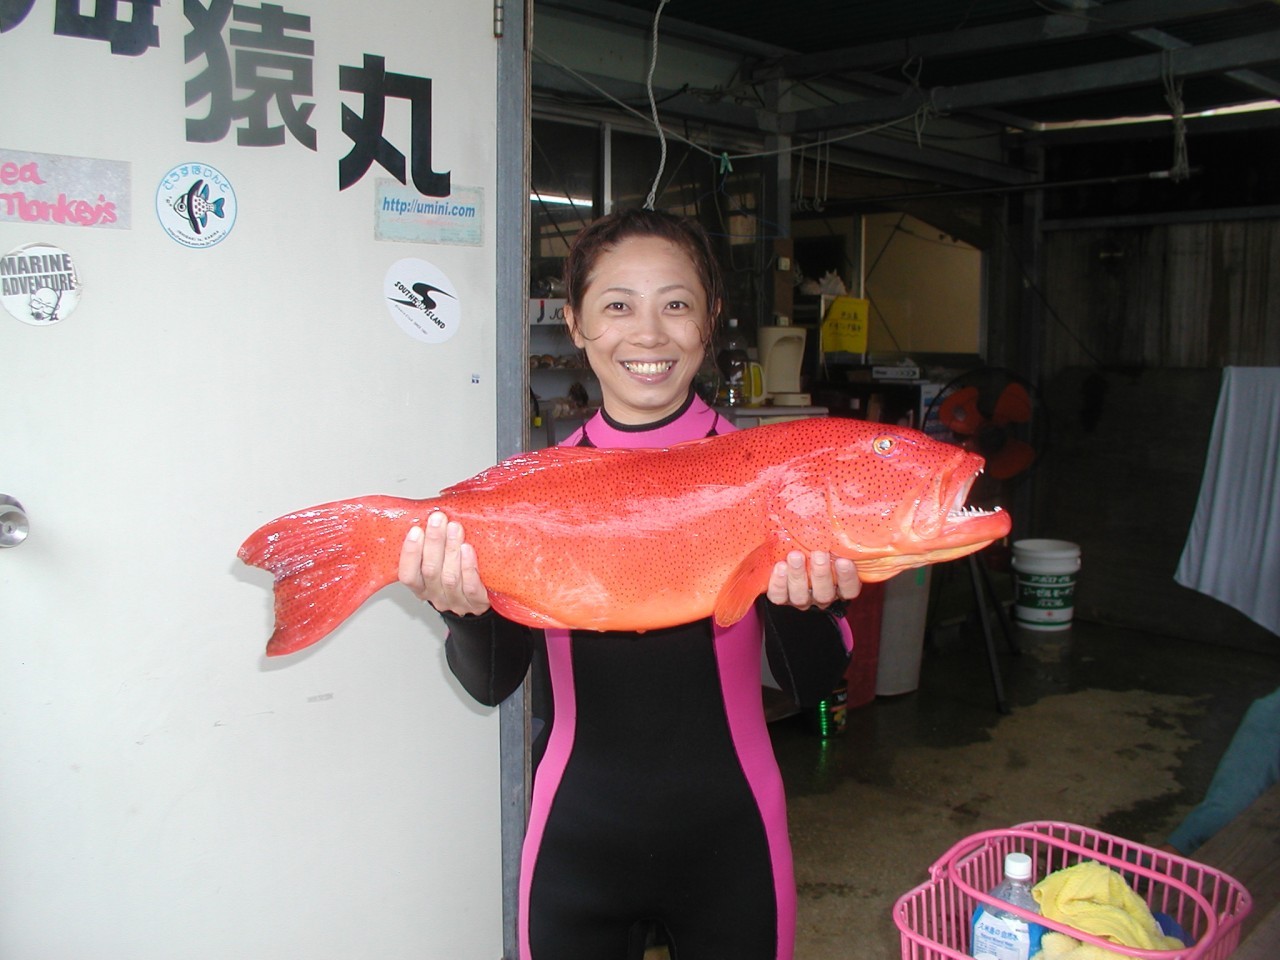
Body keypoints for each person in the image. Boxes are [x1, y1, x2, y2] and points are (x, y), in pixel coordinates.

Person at [399, 207, 861, 960]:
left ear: (709, 319)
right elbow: (491, 683)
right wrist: (467, 610)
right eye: (617, 305)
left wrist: (812, 599)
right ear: (576, 324)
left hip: (732, 841)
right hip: (577, 842)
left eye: (675, 304)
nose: (648, 334)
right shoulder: (532, 496)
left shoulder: (774, 479)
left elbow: (817, 679)